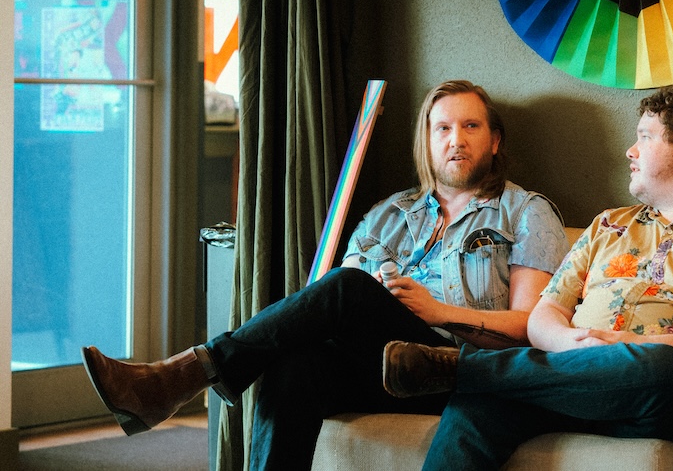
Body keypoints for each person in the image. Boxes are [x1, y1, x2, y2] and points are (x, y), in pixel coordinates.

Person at [81, 79, 570, 470]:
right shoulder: (390, 213)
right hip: (383, 366)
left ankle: (183, 375)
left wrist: (438, 310)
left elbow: (528, 328)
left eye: (470, 127)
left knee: (351, 288)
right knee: (293, 368)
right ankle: (188, 376)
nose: (456, 140)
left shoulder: (525, 212)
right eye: (441, 128)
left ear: (494, 139)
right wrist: (380, 296)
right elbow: (339, 294)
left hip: (456, 370)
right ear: (426, 141)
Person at [382, 85, 673, 470]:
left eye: (646, 137)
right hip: (575, 383)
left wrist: (632, 346)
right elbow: (543, 316)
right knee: (479, 403)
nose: (630, 151)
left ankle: (466, 368)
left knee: (658, 366)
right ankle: (474, 376)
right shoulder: (608, 226)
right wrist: (567, 343)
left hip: (672, 400)